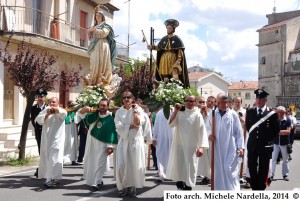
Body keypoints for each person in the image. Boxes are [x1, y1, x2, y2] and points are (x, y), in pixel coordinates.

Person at [167, 94, 209, 190]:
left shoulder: (197, 115)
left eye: (192, 101)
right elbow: (170, 124)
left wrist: (202, 147)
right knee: (180, 165)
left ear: (195, 103)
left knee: (191, 167)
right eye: (187, 100)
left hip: (192, 146)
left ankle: (189, 186)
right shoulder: (179, 112)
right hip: (180, 144)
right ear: (184, 101)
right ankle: (180, 181)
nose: (189, 103)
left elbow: (202, 131)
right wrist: (175, 112)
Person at [114, 91, 152, 197]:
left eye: (129, 97)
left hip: (135, 141)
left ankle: (132, 187)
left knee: (134, 165)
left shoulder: (139, 110)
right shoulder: (119, 112)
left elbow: (137, 123)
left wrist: (135, 111)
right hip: (124, 141)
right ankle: (123, 186)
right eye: (125, 97)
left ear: (132, 99)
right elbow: (118, 127)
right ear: (122, 100)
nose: (126, 99)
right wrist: (130, 126)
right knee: (121, 165)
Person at [76, 99, 118, 190]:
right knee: (92, 162)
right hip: (92, 142)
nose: (102, 107)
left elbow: (111, 132)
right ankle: (93, 180)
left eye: (104, 105)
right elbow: (80, 113)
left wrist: (110, 146)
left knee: (100, 163)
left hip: (103, 143)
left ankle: (97, 182)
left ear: (108, 107)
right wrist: (85, 109)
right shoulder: (93, 115)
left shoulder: (109, 118)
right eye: (100, 105)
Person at [206, 93, 244, 190]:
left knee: (229, 169)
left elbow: (239, 132)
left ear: (225, 102)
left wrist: (240, 147)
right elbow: (207, 127)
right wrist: (210, 134)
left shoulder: (233, 115)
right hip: (216, 148)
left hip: (230, 148)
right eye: (216, 102)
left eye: (219, 102)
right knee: (218, 170)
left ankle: (232, 191)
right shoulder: (212, 114)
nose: (217, 104)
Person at [246, 88, 280, 190]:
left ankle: (261, 189)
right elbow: (248, 127)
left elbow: (276, 130)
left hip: (265, 146)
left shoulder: (272, 114)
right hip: (252, 145)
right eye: (257, 99)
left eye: (261, 99)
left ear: (265, 100)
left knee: (263, 169)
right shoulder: (250, 112)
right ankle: (254, 187)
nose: (258, 101)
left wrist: (269, 141)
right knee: (251, 167)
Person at [147, 19, 190, 88]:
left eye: (170, 28)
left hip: (172, 58)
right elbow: (159, 48)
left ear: (173, 29)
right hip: (164, 58)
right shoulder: (164, 38)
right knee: (164, 73)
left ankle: (175, 87)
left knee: (174, 72)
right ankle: (164, 86)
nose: (168, 29)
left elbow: (180, 50)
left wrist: (178, 60)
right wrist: (152, 47)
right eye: (167, 28)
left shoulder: (177, 38)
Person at [35, 97, 67, 188]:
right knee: (49, 159)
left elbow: (64, 114)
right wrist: (47, 115)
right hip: (47, 140)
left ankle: (50, 180)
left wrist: (55, 110)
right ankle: (55, 178)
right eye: (50, 102)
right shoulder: (46, 110)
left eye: (53, 102)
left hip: (57, 140)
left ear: (58, 103)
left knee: (55, 158)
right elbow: (38, 120)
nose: (51, 104)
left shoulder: (61, 111)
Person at [87, 9, 116, 86]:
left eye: (99, 15)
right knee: (94, 61)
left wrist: (95, 30)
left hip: (102, 44)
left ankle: (102, 80)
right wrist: (90, 32)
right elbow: (91, 37)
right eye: (96, 15)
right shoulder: (94, 26)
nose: (97, 17)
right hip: (95, 45)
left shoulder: (106, 26)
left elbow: (104, 33)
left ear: (102, 17)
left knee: (102, 62)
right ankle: (94, 80)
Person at [152, 107, 174, 181]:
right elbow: (156, 125)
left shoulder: (175, 111)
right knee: (160, 155)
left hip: (173, 137)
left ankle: (171, 173)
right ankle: (162, 173)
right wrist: (154, 137)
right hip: (161, 138)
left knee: (172, 155)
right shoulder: (160, 113)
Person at [270, 106, 291, 181]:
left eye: (280, 112)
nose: (279, 114)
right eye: (278, 112)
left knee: (285, 159)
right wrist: (281, 132)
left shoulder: (288, 120)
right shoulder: (275, 120)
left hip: (284, 143)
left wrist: (277, 132)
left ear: (283, 112)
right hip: (275, 143)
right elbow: (272, 131)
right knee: (273, 159)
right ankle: (271, 175)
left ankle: (285, 175)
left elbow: (288, 132)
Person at [30, 89, 47, 177]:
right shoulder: (33, 108)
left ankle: (44, 169)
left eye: (42, 96)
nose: (40, 98)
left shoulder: (48, 107)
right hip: (39, 132)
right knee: (41, 150)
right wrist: (38, 128)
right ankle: (41, 168)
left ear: (45, 97)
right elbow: (33, 120)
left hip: (47, 132)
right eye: (38, 96)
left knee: (47, 150)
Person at [63, 100, 78, 165]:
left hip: (73, 127)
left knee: (73, 143)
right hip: (66, 127)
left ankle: (73, 159)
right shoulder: (65, 111)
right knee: (67, 142)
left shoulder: (75, 112)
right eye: (71, 105)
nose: (72, 107)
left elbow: (76, 120)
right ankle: (65, 158)